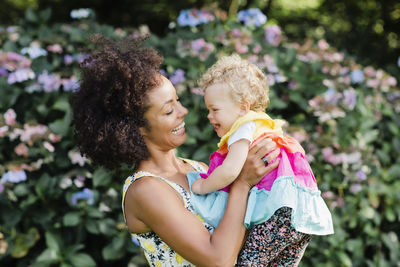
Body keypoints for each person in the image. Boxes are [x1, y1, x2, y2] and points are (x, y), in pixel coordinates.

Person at [71, 34, 281, 266]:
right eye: (169, 111)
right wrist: (242, 183)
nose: (183, 112)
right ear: (137, 128)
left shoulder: (198, 169)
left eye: (177, 100)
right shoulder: (146, 189)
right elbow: (218, 260)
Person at [188, 54, 334, 266]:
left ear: (243, 107)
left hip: (276, 214)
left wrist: (203, 186)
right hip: (301, 214)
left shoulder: (243, 129)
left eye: (215, 109)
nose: (209, 116)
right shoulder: (265, 126)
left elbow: (230, 171)